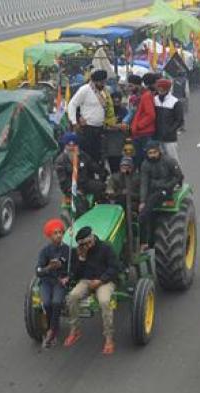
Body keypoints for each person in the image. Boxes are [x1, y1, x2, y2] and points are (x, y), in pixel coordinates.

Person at [63, 226, 122, 355]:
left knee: (105, 302)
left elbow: (115, 268)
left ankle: (108, 338)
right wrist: (81, 259)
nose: (89, 245)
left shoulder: (106, 248)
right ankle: (75, 330)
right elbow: (76, 274)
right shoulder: (80, 252)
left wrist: (101, 281)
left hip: (104, 281)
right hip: (86, 281)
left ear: (93, 237)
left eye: (90, 241)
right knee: (72, 296)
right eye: (85, 244)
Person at [139, 143, 184, 249]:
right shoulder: (145, 165)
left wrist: (168, 186)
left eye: (155, 152)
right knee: (142, 209)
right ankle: (143, 239)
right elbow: (144, 183)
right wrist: (142, 201)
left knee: (148, 208)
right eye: (150, 153)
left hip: (167, 190)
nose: (153, 155)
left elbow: (179, 176)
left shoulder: (169, 161)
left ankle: (145, 241)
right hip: (153, 190)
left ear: (159, 151)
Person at [35, 219, 70, 349]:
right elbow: (38, 271)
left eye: (60, 232)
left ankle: (51, 331)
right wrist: (49, 267)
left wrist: (67, 277)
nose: (59, 235)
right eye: (55, 233)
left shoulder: (67, 250)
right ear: (50, 236)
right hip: (47, 282)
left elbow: (72, 268)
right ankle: (53, 326)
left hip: (60, 282)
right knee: (46, 303)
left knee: (56, 303)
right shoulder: (45, 252)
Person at [54, 132, 108, 216]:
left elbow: (93, 166)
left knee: (102, 188)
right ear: (65, 146)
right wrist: (73, 190)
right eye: (69, 145)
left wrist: (102, 171)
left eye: (74, 145)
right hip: (72, 188)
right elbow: (63, 181)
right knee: (80, 202)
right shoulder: (60, 161)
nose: (72, 148)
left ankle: (102, 213)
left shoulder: (82, 155)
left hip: (85, 183)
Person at [67, 69, 111, 164]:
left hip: (100, 128)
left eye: (104, 82)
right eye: (101, 82)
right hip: (87, 129)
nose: (103, 84)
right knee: (87, 155)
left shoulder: (104, 91)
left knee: (98, 155)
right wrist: (74, 122)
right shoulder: (85, 89)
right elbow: (72, 104)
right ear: (95, 81)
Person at [153, 78, 184, 167]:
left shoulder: (175, 102)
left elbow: (179, 120)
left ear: (167, 89)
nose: (160, 90)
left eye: (162, 88)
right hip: (156, 137)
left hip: (169, 138)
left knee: (172, 160)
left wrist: (169, 131)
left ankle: (178, 178)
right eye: (158, 87)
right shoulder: (154, 100)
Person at [129, 74, 157, 168]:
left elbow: (151, 115)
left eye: (131, 85)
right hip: (138, 133)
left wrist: (138, 126)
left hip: (144, 133)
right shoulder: (137, 97)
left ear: (138, 85)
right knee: (138, 160)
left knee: (145, 161)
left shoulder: (146, 96)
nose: (129, 88)